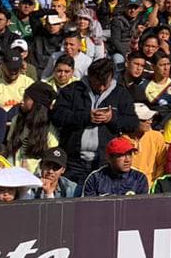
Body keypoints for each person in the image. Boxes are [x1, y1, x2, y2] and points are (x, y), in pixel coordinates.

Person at [51, 57, 138, 185]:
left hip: (105, 162)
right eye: (97, 83)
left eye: (105, 83)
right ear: (90, 76)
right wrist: (86, 117)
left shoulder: (121, 94)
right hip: (74, 161)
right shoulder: (72, 90)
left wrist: (112, 118)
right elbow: (57, 116)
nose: (102, 87)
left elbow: (133, 123)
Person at [80, 135, 150, 196]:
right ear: (109, 158)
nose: (127, 160)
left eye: (129, 154)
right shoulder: (95, 178)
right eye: (121, 155)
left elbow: (143, 208)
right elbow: (88, 208)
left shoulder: (139, 178)